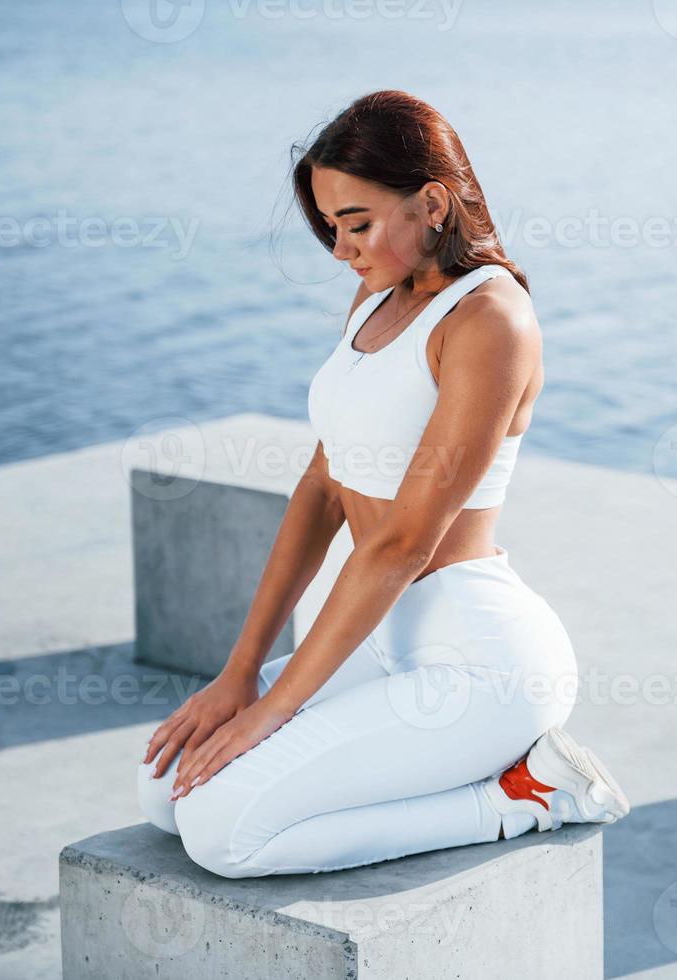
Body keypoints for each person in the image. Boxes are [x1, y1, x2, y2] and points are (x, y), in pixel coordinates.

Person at [135, 89, 630, 877]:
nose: (341, 251)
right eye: (331, 227)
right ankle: (448, 768)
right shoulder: (376, 299)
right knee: (163, 792)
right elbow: (323, 487)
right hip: (374, 636)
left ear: (431, 202)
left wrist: (274, 709)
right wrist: (238, 674)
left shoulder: (491, 322)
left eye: (358, 224)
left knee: (222, 836)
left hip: (475, 661)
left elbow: (401, 544)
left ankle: (523, 796)